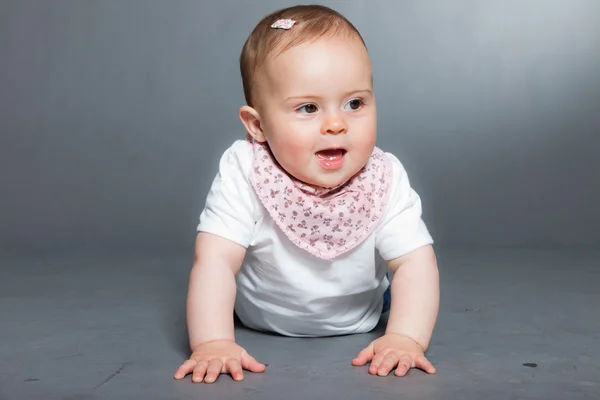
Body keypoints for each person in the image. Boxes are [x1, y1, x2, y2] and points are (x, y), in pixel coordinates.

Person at [174, 4, 439, 384]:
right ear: (257, 125)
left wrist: (404, 337)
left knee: (407, 287)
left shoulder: (384, 177)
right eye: (308, 107)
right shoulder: (246, 169)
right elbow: (215, 261)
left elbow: (415, 262)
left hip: (361, 314)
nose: (336, 124)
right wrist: (212, 342)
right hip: (259, 315)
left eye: (355, 103)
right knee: (217, 278)